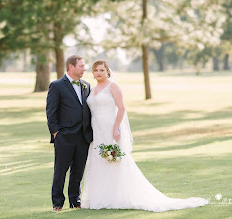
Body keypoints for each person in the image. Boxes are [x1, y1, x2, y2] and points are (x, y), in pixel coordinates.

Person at [81, 59, 209, 211]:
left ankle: (117, 197)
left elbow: (121, 108)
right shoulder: (92, 89)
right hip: (96, 131)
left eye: (102, 70)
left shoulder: (113, 86)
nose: (99, 73)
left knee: (115, 162)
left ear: (107, 71)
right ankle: (100, 197)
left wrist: (116, 128)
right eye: (96, 70)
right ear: (93, 73)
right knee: (99, 162)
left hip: (110, 129)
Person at [46, 55, 93, 212]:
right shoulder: (57, 85)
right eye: (81, 66)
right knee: (60, 171)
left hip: (83, 137)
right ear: (71, 67)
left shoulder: (86, 85)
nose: (84, 69)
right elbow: (51, 112)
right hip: (64, 137)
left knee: (78, 171)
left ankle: (75, 200)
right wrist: (55, 133)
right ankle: (57, 203)